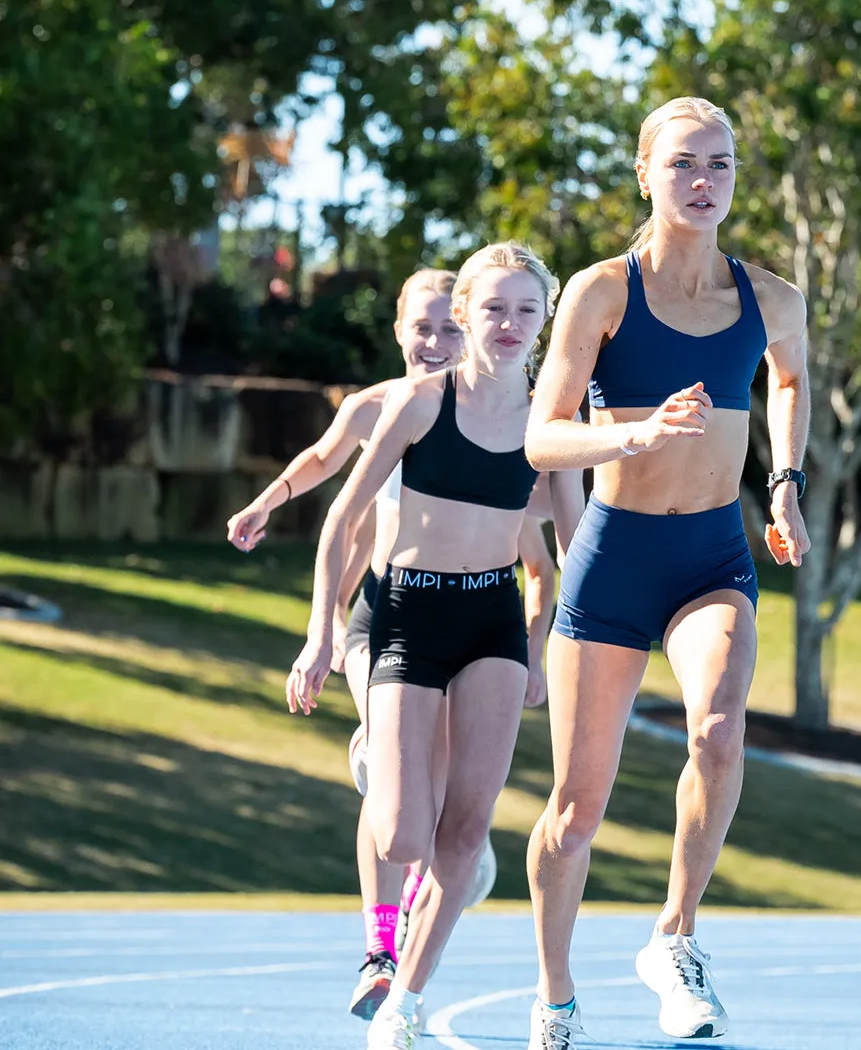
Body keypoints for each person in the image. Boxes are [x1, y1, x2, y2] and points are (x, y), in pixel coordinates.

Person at [523, 96, 811, 1047]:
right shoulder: (601, 291)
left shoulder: (772, 298)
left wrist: (784, 483)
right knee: (575, 810)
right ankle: (555, 995)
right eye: (684, 163)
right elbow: (540, 436)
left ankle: (675, 937)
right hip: (614, 558)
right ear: (645, 173)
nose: (703, 181)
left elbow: (791, 379)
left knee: (720, 734)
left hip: (711, 560)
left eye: (721, 165)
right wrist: (637, 432)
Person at [226, 267, 579, 1022]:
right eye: (486, 310)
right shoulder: (404, 406)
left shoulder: (547, 422)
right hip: (397, 614)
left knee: (463, 828)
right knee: (400, 832)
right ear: (437, 321)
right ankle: (384, 761)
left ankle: (403, 990)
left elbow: (565, 545)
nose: (502, 325)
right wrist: (318, 627)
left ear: (544, 321)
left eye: (525, 311)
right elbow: (336, 499)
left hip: (489, 620)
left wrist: (555, 640)